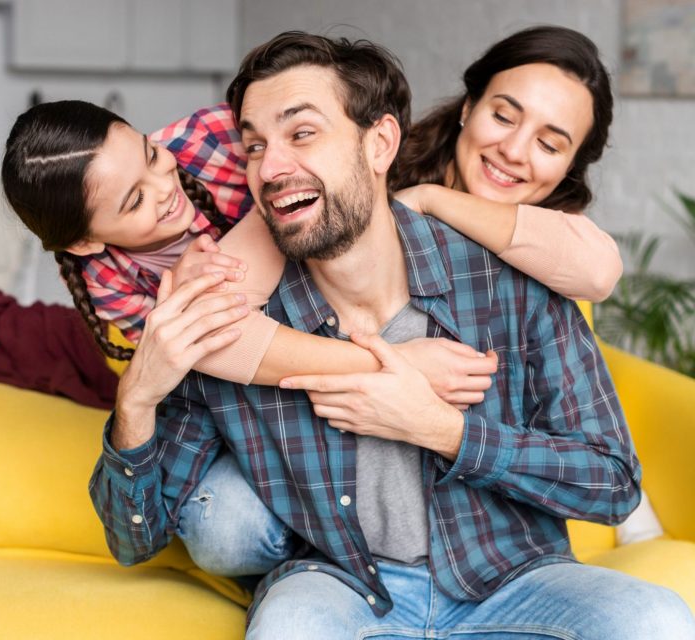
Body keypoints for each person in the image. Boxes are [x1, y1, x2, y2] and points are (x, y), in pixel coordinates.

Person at [89, 28, 695, 638]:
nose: (271, 166)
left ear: (380, 143)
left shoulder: (520, 272)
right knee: (275, 605)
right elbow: (134, 536)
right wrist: (135, 398)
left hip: (509, 578)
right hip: (346, 583)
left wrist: (441, 430)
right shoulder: (238, 310)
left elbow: (613, 481)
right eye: (253, 147)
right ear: (468, 111)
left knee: (657, 618)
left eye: (302, 133)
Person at [1, 21, 623, 580]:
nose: (514, 151)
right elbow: (211, 328)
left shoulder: (529, 262)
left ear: (570, 165)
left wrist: (431, 203)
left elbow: (596, 275)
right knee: (227, 524)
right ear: (465, 110)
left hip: (495, 495)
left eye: (550, 143)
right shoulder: (341, 172)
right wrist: (392, 367)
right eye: (504, 116)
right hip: (287, 403)